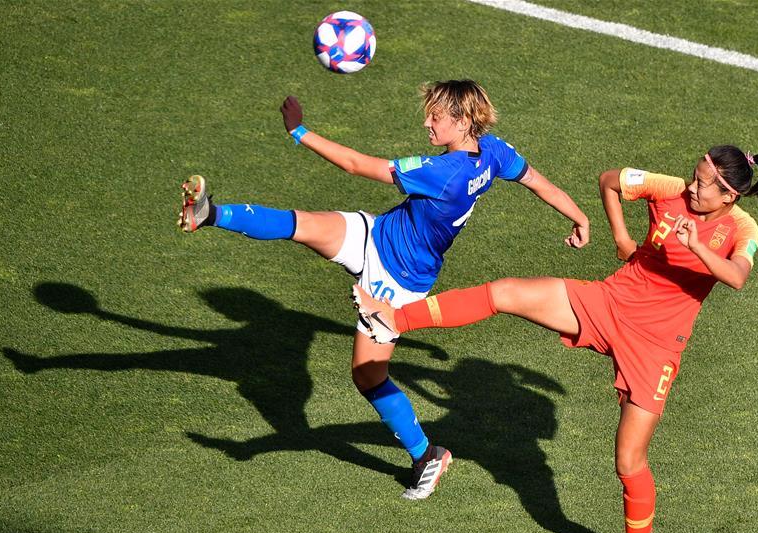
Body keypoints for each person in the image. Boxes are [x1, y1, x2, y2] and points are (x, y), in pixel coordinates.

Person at [353, 145, 758, 533]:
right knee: (506, 292)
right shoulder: (670, 189)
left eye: (702, 186)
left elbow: (737, 277)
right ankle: (393, 319)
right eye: (694, 175)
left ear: (729, 196)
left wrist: (698, 248)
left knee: (628, 459)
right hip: (609, 302)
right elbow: (610, 181)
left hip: (657, 346)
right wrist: (624, 239)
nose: (691, 188)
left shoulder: (743, 228)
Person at [177, 80, 590, 500]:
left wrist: (299, 132)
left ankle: (427, 455)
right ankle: (210, 213)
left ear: (463, 120)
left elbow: (358, 165)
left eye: (436, 116)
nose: (426, 122)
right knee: (300, 224)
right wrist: (580, 217)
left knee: (367, 375)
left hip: (398, 282)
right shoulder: (494, 151)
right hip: (377, 233)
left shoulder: (440, 174)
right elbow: (538, 181)